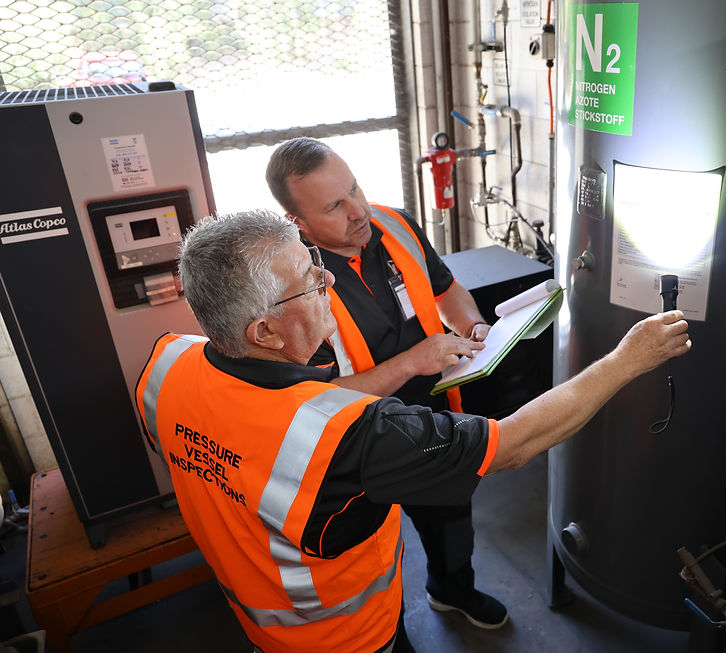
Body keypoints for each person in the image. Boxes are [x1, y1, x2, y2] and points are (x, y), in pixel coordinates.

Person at [135, 209, 691, 653]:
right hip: (345, 636)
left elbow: (238, 442)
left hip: (256, 620)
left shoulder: (167, 365)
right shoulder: (351, 437)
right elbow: (513, 444)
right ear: (265, 332)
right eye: (309, 280)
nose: (327, 277)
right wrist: (625, 362)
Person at [265, 137, 506, 628]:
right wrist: (413, 362)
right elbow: (309, 403)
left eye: (355, 189)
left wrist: (472, 325)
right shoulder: (285, 288)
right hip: (349, 443)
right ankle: (386, 632)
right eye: (335, 205)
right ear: (298, 224)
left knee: (451, 517)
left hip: (430, 414)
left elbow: (446, 289)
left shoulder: (395, 225)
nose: (359, 212)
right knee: (367, 554)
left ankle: (452, 590)